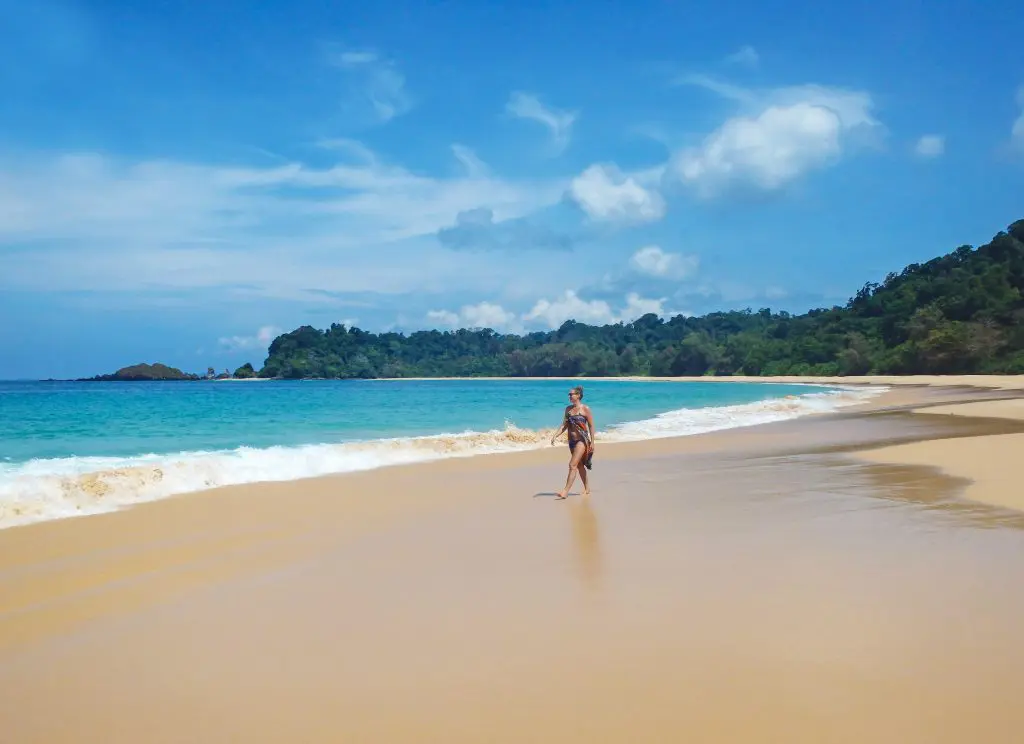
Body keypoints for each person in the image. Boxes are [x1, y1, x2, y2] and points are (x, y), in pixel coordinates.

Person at [550, 385, 595, 500]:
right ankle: (587, 489)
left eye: (571, 394)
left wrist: (593, 443)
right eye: (569, 394)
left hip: (582, 441)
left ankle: (565, 491)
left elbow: (591, 426)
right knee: (579, 466)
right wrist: (555, 435)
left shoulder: (585, 409)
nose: (569, 396)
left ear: (578, 395)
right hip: (571, 442)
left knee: (572, 465)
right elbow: (564, 425)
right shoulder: (568, 409)